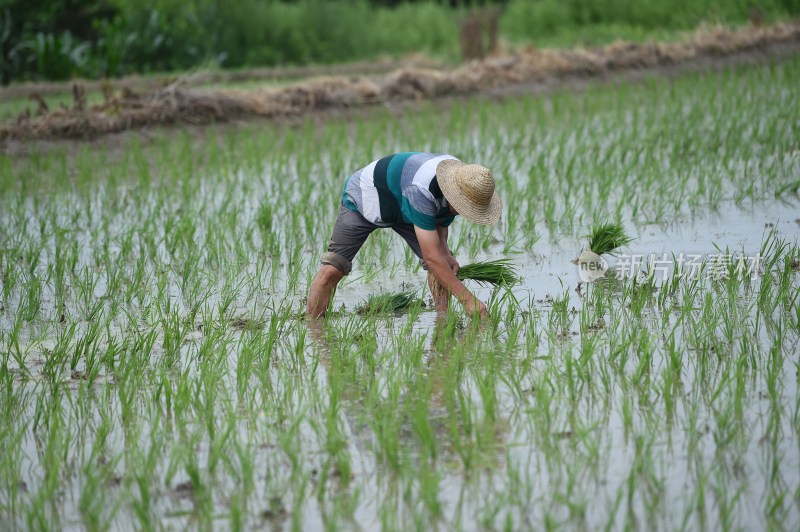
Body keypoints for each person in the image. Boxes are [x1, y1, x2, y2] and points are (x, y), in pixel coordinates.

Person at [306, 152, 502, 319]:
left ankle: (443, 321)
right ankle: (314, 327)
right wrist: (467, 299)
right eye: (463, 207)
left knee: (443, 262)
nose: (462, 212)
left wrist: (444, 249)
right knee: (333, 269)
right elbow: (431, 258)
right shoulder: (422, 189)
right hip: (366, 197)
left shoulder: (465, 178)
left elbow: (442, 218)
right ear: (454, 195)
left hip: (405, 202)